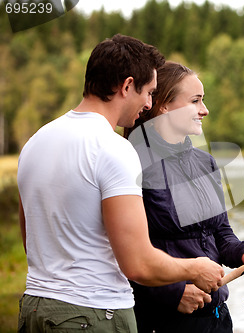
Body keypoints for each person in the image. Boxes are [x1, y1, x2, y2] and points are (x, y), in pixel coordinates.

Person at [16, 35, 224, 333]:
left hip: (35, 308)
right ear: (127, 86)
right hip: (94, 315)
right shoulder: (113, 149)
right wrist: (196, 267)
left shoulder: (36, 142)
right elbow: (138, 264)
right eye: (149, 92)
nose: (150, 104)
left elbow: (30, 240)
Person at [124, 61, 244, 333]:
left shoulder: (205, 163)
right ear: (163, 106)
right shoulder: (132, 161)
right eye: (195, 101)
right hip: (160, 321)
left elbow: (221, 235)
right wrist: (172, 293)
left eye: (203, 101)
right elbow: (120, 250)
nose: (204, 110)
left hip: (217, 318)